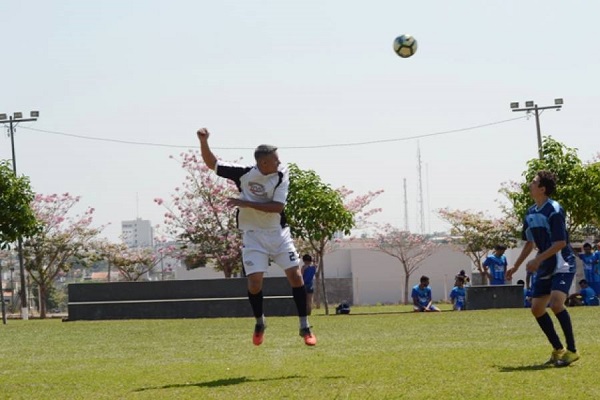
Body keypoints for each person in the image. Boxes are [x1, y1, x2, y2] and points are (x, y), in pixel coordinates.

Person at [196, 128, 316, 346]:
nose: (280, 162)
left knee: (296, 277)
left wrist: (246, 203)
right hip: (253, 236)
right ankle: (260, 322)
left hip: (278, 234)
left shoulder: (281, 175)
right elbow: (212, 164)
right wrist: (203, 142)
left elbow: (278, 207)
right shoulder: (244, 174)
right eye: (275, 159)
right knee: (254, 283)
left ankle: (304, 326)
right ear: (263, 163)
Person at [506, 171, 579, 366]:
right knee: (537, 309)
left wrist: (537, 260)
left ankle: (572, 351)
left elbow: (561, 242)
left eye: (534, 181)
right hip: (546, 263)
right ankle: (558, 348)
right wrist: (516, 265)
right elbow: (529, 243)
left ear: (542, 188)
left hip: (562, 261)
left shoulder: (554, 210)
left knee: (556, 303)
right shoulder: (530, 213)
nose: (530, 184)